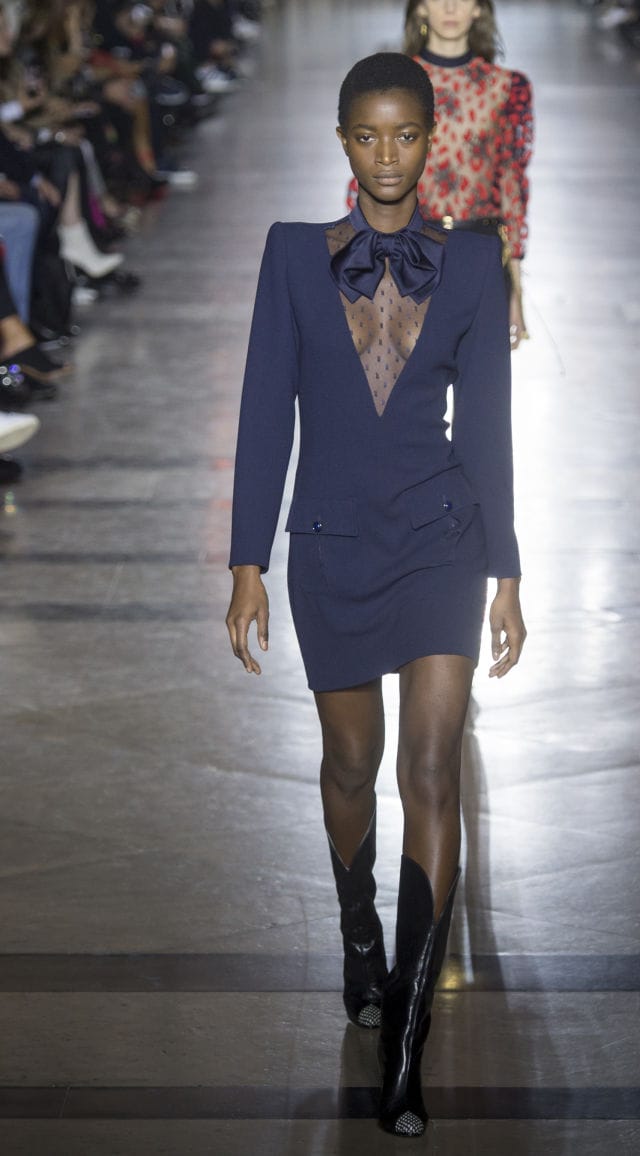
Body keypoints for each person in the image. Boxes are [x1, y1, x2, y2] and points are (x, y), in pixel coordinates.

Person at [226, 52, 526, 1138]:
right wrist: (246, 560)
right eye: (369, 135)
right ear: (344, 140)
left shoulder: (475, 260)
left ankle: (407, 1037)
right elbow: (266, 406)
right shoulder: (291, 255)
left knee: (430, 770)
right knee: (352, 763)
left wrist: (507, 568)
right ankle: (361, 933)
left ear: (430, 139)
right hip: (332, 547)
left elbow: (487, 424)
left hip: (441, 539)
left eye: (406, 134)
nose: (388, 154)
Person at [402, 0, 534, 349]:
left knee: (483, 384)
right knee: (409, 382)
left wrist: (516, 291)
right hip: (408, 255)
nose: (450, 6)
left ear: (478, 9)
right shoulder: (394, 83)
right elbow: (368, 181)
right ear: (420, 8)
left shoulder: (507, 87)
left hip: (482, 255)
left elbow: (513, 185)